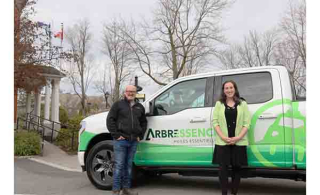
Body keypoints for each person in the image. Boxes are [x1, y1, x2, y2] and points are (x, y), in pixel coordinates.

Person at [212, 80, 251, 195]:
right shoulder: (219, 104)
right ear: (223, 90)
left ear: (235, 89)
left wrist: (237, 137)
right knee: (223, 169)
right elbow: (215, 122)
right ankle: (224, 193)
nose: (229, 90)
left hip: (238, 142)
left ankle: (234, 193)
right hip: (222, 142)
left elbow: (247, 123)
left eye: (231, 87)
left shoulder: (242, 103)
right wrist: (223, 137)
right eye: (226, 88)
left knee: (236, 169)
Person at [107, 85, 148, 195]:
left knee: (129, 166)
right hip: (121, 141)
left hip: (134, 140)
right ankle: (116, 190)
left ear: (135, 93)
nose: (130, 93)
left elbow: (144, 122)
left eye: (133, 91)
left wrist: (141, 135)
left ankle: (126, 189)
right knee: (119, 165)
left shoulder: (140, 107)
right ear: (125, 92)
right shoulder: (118, 105)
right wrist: (116, 135)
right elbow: (110, 120)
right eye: (129, 91)